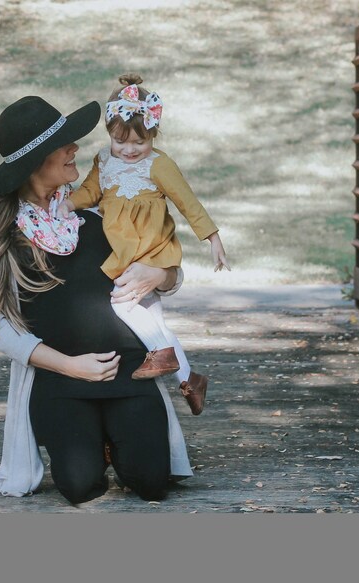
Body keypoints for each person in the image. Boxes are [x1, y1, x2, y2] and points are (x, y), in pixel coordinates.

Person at [0, 95, 193, 504]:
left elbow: (171, 273)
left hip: (130, 371)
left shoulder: (100, 207)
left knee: (151, 481)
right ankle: (94, 440)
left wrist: (160, 274)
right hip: (61, 375)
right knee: (79, 484)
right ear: (37, 160)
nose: (77, 148)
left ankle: (119, 436)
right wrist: (71, 366)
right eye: (65, 144)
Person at [58, 73, 230, 415]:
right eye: (121, 141)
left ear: (152, 134)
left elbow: (187, 201)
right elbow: (92, 191)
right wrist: (69, 204)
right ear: (109, 134)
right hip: (123, 250)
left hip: (150, 248)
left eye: (139, 141)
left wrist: (212, 238)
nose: (130, 149)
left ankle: (162, 357)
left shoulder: (158, 164)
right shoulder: (104, 161)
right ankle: (189, 380)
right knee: (155, 322)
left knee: (123, 303)